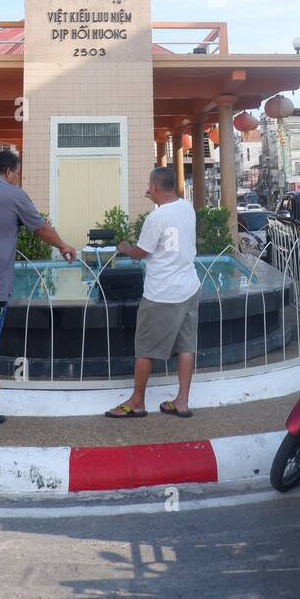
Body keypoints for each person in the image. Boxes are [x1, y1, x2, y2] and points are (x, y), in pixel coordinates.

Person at [0, 149, 77, 430]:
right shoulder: (14, 195)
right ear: (8, 171)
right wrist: (64, 246)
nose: (16, 179)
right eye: (16, 174)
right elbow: (40, 228)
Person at [106, 166, 200, 419]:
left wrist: (124, 247)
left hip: (163, 294)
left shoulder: (156, 218)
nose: (148, 189)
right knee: (186, 346)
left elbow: (141, 252)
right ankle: (182, 401)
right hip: (190, 287)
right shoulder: (186, 207)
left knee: (145, 349)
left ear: (155, 187)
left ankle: (137, 402)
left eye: (150, 186)